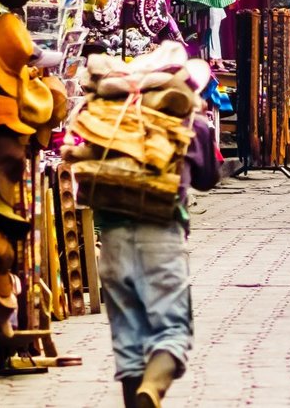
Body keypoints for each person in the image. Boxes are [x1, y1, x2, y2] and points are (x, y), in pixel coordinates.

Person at [95, 49, 222, 408]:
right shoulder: (188, 120)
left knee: (128, 343)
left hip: (113, 236)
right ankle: (151, 393)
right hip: (162, 231)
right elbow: (208, 178)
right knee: (172, 333)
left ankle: (139, 396)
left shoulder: (115, 113)